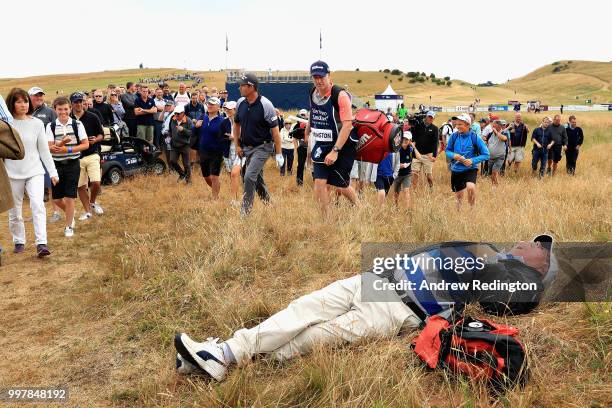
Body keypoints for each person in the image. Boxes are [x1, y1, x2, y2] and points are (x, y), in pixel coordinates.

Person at [174, 235, 556, 381]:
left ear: (539, 265)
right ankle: (224, 353)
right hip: (376, 279)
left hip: (394, 308)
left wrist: (523, 273)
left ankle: (226, 357)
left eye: (538, 247)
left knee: (314, 337)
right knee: (303, 308)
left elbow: (518, 299)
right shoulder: (489, 248)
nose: (528, 241)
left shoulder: (513, 278)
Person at [4, 88, 57, 257]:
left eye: (25, 101)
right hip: (12, 173)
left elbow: (44, 150)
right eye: (19, 101)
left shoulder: (37, 123)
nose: (23, 104)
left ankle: (41, 243)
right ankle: (19, 240)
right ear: (12, 103)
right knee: (15, 211)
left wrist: (53, 172)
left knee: (37, 204)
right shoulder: (6, 124)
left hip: (35, 171)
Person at [305, 61, 357, 214]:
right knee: (320, 182)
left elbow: (347, 125)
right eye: (315, 77)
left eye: (321, 77)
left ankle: (359, 207)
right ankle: (326, 218)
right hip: (322, 144)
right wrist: (308, 129)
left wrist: (335, 151)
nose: (318, 80)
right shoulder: (312, 92)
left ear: (329, 75)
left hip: (342, 145)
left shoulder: (340, 96)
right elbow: (313, 112)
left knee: (341, 185)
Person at [233, 73, 283, 216]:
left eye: (243, 85)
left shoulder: (266, 105)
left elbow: (275, 132)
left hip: (263, 147)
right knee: (256, 179)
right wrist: (237, 145)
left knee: (248, 177)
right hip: (246, 148)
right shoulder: (240, 103)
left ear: (252, 87)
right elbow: (236, 125)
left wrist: (278, 154)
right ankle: (269, 204)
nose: (240, 88)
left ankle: (245, 213)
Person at [46, 97, 89, 237]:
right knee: (57, 199)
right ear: (55, 110)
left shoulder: (78, 124)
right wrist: (61, 143)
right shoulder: (50, 126)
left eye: (65, 109)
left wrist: (68, 150)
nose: (63, 112)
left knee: (69, 197)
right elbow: (49, 148)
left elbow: (85, 144)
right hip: (56, 165)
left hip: (73, 164)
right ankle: (71, 213)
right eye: (60, 109)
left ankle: (68, 226)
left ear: (70, 109)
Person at [69, 92, 104, 220]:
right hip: (76, 157)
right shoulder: (68, 119)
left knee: (96, 182)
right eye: (76, 102)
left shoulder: (93, 116)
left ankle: (93, 202)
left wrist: (95, 140)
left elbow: (101, 134)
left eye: (80, 101)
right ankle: (87, 211)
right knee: (80, 186)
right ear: (71, 104)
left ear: (83, 102)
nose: (78, 104)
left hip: (92, 153)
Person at [445, 113, 489, 210]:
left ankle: (472, 209)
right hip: (456, 169)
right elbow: (447, 151)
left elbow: (486, 154)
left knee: (470, 187)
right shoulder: (454, 136)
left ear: (468, 125)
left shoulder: (475, 137)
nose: (457, 126)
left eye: (460, 124)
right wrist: (454, 156)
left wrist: (472, 160)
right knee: (459, 196)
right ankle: (458, 212)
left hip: (470, 168)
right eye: (457, 124)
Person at [198, 97, 225, 199]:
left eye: (212, 104)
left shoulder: (222, 121)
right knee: (206, 177)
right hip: (203, 151)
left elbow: (226, 136)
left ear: (218, 107)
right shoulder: (202, 117)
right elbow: (194, 131)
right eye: (208, 104)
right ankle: (216, 187)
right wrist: (195, 126)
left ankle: (215, 198)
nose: (209, 106)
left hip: (216, 152)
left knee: (214, 176)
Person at [220, 101, 242, 204]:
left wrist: (235, 137)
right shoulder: (224, 122)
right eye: (227, 109)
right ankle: (234, 196)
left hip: (239, 150)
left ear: (235, 110)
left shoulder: (242, 121)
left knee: (234, 174)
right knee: (231, 175)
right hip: (227, 151)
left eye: (230, 109)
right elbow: (220, 137)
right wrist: (228, 138)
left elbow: (246, 136)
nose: (228, 111)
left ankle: (234, 199)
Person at [392, 131, 420, 207]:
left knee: (406, 190)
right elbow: (393, 162)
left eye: (407, 139)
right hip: (397, 174)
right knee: (396, 193)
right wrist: (398, 165)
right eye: (403, 138)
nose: (404, 140)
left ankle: (407, 209)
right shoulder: (397, 149)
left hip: (407, 174)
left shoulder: (410, 149)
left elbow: (419, 157)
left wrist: (414, 147)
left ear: (410, 141)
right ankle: (395, 206)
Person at [410, 111, 438, 189]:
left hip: (428, 155)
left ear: (433, 119)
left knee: (428, 175)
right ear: (425, 117)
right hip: (417, 154)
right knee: (415, 174)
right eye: (429, 117)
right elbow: (413, 135)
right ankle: (414, 191)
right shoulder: (418, 126)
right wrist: (413, 125)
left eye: (431, 117)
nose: (430, 119)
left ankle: (431, 188)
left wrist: (434, 156)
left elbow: (435, 143)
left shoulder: (435, 129)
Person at [168, 105, 194, 183]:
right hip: (174, 145)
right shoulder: (172, 119)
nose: (176, 115)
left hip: (184, 146)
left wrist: (183, 130)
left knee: (186, 164)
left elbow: (191, 133)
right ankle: (182, 174)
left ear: (183, 113)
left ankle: (189, 181)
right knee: (172, 161)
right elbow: (170, 129)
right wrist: (169, 137)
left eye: (178, 114)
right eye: (175, 113)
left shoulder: (188, 120)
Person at [487, 120, 509, 188]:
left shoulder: (504, 132)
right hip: (490, 157)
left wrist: (496, 132)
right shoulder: (490, 134)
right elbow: (487, 142)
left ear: (499, 126)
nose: (492, 127)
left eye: (494, 126)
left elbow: (504, 139)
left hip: (500, 157)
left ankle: (495, 187)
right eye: (492, 126)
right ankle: (494, 185)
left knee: (494, 172)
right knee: (491, 174)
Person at [291, 109, 309, 186]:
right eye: (301, 115)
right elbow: (294, 138)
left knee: (314, 165)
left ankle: (316, 181)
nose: (302, 116)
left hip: (311, 148)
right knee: (300, 165)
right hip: (302, 147)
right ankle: (299, 182)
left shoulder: (310, 123)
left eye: (304, 115)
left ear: (307, 115)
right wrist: (296, 149)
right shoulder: (296, 125)